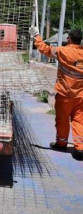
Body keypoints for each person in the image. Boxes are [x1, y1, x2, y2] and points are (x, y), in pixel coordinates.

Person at [30, 27, 83, 161]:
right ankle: (80, 147)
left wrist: (36, 35)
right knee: (79, 121)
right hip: (81, 96)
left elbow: (44, 49)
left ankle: (61, 143)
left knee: (62, 120)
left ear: (69, 39)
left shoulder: (62, 51)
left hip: (64, 94)